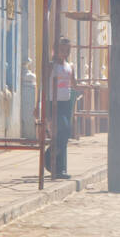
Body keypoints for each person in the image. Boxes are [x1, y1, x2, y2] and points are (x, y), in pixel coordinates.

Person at [46, 37, 75, 180]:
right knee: (62, 130)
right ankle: (49, 155)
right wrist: (39, 104)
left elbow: (73, 85)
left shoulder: (70, 66)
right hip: (53, 102)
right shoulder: (51, 66)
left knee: (65, 133)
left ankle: (60, 168)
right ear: (55, 50)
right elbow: (43, 84)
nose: (64, 52)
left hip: (66, 103)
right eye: (61, 49)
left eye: (66, 49)